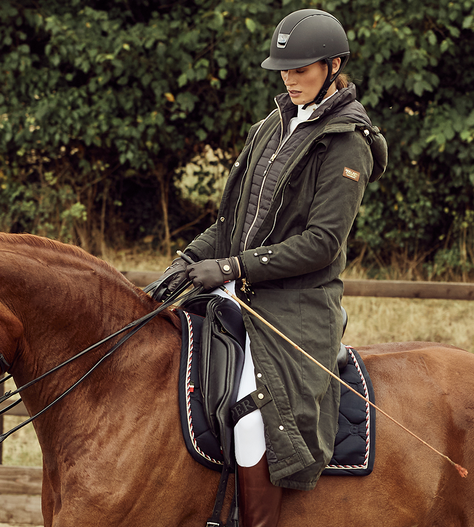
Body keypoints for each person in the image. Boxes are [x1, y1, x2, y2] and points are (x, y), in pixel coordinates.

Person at [148, 8, 381, 527]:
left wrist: (231, 268)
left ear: (333, 65)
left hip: (298, 304)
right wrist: (187, 260)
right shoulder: (271, 127)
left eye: (301, 69)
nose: (290, 78)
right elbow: (231, 222)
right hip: (242, 288)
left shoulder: (347, 142)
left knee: (252, 411)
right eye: (284, 69)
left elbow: (322, 244)